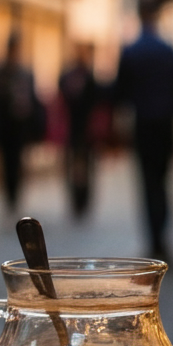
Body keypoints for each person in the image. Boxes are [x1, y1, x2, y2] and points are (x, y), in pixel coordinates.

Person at [112, 8, 173, 262]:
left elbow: (119, 92)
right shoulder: (168, 50)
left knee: (147, 184)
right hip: (165, 125)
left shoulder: (132, 51)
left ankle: (153, 240)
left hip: (143, 124)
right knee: (164, 183)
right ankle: (163, 238)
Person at [0, 33, 43, 213]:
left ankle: (15, 198)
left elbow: (33, 101)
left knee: (17, 164)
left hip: (21, 128)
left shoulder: (25, 74)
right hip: (4, 127)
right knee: (6, 165)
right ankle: (8, 199)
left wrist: (34, 127)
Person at [59, 42, 101, 218]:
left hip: (86, 132)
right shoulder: (68, 77)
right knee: (74, 168)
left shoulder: (89, 78)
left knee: (86, 168)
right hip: (72, 130)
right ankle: (76, 201)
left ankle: (83, 201)